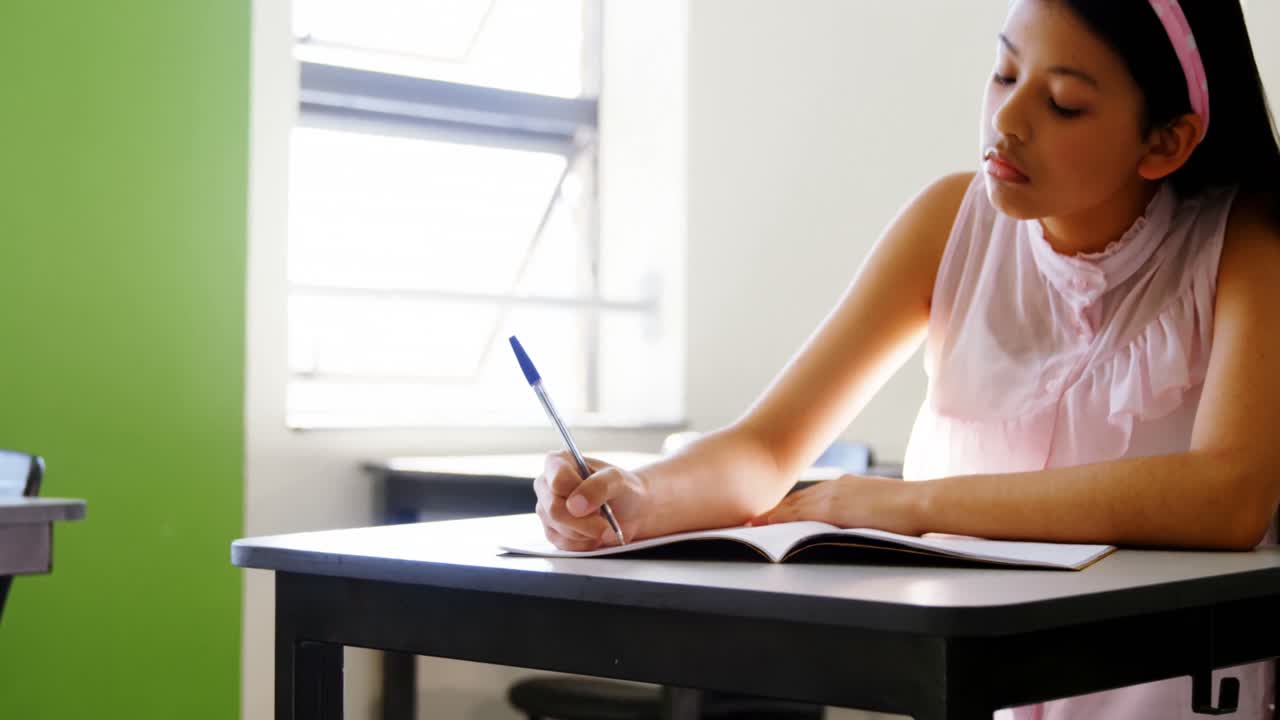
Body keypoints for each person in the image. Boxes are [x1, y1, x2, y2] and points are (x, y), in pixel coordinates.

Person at [533, 1, 1280, 717]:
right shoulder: (949, 221)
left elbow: (1227, 496)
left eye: (1063, 104)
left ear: (1167, 141)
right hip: (978, 681)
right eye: (1004, 72)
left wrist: (912, 506)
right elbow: (767, 446)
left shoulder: (1244, 240)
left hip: (1167, 684)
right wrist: (634, 494)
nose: (1007, 120)